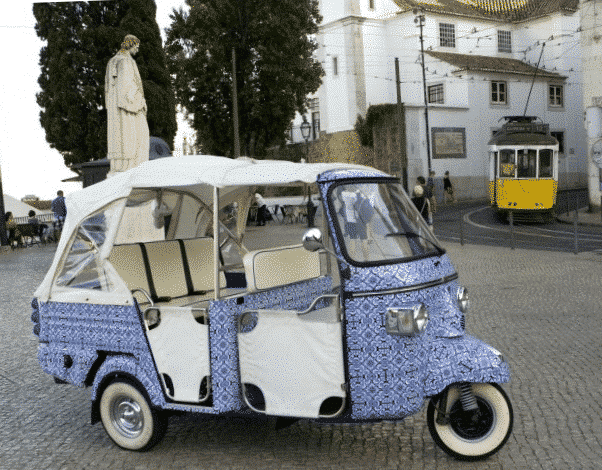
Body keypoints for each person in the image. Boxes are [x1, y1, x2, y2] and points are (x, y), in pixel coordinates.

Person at [105, 34, 149, 176]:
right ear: (131, 45)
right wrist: (140, 102)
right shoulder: (125, 62)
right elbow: (127, 90)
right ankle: (131, 167)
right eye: (136, 46)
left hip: (116, 112)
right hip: (129, 111)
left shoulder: (113, 61)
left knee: (123, 140)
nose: (137, 49)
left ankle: (123, 166)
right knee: (138, 137)